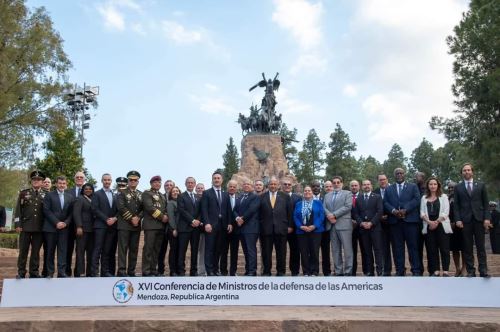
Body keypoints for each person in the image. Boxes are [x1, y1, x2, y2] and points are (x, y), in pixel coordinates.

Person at [453, 163, 491, 278]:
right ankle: (470, 270)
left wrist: (487, 218)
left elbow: (486, 204)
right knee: (467, 247)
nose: (467, 172)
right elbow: (456, 206)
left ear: (472, 172)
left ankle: (483, 270)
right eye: (464, 170)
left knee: (481, 247)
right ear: (461, 173)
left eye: (469, 170)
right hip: (465, 221)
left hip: (479, 219)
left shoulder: (481, 185)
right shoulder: (458, 187)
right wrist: (458, 219)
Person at [383, 168, 422, 276]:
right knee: (397, 248)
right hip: (395, 223)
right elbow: (385, 202)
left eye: (401, 173)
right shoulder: (389, 189)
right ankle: (400, 270)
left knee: (413, 247)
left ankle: (416, 270)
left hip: (410, 222)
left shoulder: (412, 186)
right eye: (397, 173)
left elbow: (416, 199)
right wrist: (393, 211)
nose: (399, 175)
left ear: (404, 174)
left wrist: (406, 209)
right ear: (394, 175)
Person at [14, 170, 46, 278]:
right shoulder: (24, 193)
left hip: (39, 228)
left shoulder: (46, 194)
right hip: (25, 227)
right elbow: (18, 210)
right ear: (31, 181)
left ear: (42, 182)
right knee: (23, 251)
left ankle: (34, 272)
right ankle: (21, 272)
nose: (36, 181)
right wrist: (18, 224)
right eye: (34, 180)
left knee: (36, 252)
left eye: (39, 180)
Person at [201, 171, 233, 276]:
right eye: (215, 178)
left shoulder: (225, 194)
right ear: (212, 180)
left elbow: (228, 210)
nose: (216, 180)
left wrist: (229, 223)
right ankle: (209, 270)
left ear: (222, 180)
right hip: (211, 226)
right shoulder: (206, 193)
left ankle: (215, 269)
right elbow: (204, 209)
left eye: (218, 178)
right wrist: (206, 223)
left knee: (218, 249)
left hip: (222, 226)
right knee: (209, 249)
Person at [43, 175, 74, 278]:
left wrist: (65, 223)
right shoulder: (49, 195)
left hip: (64, 229)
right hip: (51, 228)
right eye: (60, 183)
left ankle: (61, 272)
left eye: (64, 183)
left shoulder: (70, 197)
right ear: (56, 184)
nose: (62, 185)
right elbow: (46, 211)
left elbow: (71, 213)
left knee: (62, 251)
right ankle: (50, 273)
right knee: (50, 251)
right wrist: (57, 222)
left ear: (66, 184)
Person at [420, 177, 452, 277]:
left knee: (444, 249)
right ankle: (436, 270)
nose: (433, 186)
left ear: (438, 185)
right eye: (430, 184)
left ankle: (446, 270)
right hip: (429, 227)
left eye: (434, 184)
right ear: (428, 186)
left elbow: (446, 212)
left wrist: (436, 222)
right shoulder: (424, 198)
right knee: (431, 249)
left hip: (441, 225)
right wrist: (429, 222)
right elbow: (422, 213)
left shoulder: (443, 197)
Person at [324, 176, 353, 276]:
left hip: (344, 225)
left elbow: (348, 206)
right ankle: (338, 271)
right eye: (334, 182)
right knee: (335, 250)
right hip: (332, 226)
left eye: (338, 182)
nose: (336, 184)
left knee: (347, 249)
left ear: (342, 183)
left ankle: (348, 271)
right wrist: (329, 215)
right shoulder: (327, 195)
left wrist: (334, 214)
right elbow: (324, 207)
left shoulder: (347, 193)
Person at [353, 180, 384, 276]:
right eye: (364, 185)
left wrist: (371, 223)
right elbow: (356, 213)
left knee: (378, 250)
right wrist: (361, 223)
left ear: (371, 186)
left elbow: (380, 212)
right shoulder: (359, 198)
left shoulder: (377, 197)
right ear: (362, 187)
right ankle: (370, 271)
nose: (366, 186)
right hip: (363, 229)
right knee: (367, 251)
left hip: (375, 228)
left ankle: (380, 271)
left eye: (368, 184)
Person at [116, 171, 143, 277]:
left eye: (135, 180)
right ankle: (122, 271)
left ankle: (131, 271)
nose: (133, 182)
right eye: (131, 180)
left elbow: (144, 208)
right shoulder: (122, 192)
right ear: (128, 181)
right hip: (124, 225)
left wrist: (139, 217)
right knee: (123, 249)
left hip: (136, 227)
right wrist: (132, 218)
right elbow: (121, 207)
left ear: (138, 182)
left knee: (134, 249)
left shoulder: (141, 194)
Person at [91, 173, 118, 277]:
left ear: (111, 181)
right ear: (102, 181)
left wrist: (114, 218)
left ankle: (104, 271)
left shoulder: (115, 195)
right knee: (97, 249)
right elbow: (94, 209)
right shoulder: (97, 194)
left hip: (111, 227)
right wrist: (106, 219)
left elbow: (118, 210)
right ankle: (94, 272)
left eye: (109, 180)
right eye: (105, 180)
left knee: (107, 250)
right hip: (100, 226)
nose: (107, 181)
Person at [294, 185, 325, 276]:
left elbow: (321, 215)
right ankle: (306, 271)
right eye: (305, 191)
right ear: (303, 193)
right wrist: (300, 226)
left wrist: (314, 226)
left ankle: (314, 271)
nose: (307, 192)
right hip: (301, 232)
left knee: (314, 251)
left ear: (312, 193)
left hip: (315, 231)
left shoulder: (318, 203)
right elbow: (295, 216)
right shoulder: (298, 204)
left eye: (309, 191)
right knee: (304, 252)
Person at [142, 176, 168, 276]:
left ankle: (153, 269)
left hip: (160, 227)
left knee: (156, 250)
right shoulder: (147, 193)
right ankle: (146, 271)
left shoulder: (161, 195)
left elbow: (165, 208)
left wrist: (166, 215)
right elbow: (149, 208)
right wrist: (162, 217)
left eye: (159, 182)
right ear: (151, 183)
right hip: (151, 226)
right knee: (148, 249)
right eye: (155, 182)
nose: (157, 184)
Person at [233, 177, 260, 276]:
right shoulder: (239, 197)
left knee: (251, 250)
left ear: (252, 186)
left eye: (248, 184)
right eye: (244, 184)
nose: (246, 185)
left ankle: (252, 271)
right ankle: (247, 269)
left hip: (251, 228)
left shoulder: (255, 197)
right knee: (245, 250)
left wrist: (242, 219)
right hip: (241, 228)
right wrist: (237, 218)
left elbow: (252, 210)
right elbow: (234, 210)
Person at [177, 177, 202, 276]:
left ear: (195, 184)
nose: (190, 184)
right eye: (188, 183)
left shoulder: (198, 197)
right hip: (184, 228)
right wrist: (192, 220)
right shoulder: (181, 196)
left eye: (192, 183)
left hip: (196, 229)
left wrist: (198, 220)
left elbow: (201, 211)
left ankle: (194, 271)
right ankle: (181, 271)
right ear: (185, 184)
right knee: (182, 250)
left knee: (194, 250)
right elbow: (182, 210)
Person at [65, 171, 86, 276]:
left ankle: (78, 272)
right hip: (68, 226)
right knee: (68, 250)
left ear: (84, 179)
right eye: (77, 177)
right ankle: (66, 272)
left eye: (81, 177)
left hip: (82, 227)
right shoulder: (67, 192)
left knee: (80, 251)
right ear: (74, 179)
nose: (79, 178)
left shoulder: (88, 192)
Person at [72, 183, 95, 277]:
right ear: (83, 190)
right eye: (86, 189)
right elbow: (76, 213)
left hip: (92, 230)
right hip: (82, 230)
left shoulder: (93, 199)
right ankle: (79, 272)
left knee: (90, 253)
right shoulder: (80, 199)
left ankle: (89, 272)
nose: (88, 190)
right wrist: (79, 226)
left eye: (90, 189)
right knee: (80, 252)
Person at [281, 177, 301, 276]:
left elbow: (298, 213)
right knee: (281, 251)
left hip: (295, 229)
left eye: (289, 184)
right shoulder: (278, 197)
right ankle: (281, 271)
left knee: (295, 251)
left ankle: (295, 271)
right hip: (281, 229)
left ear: (292, 186)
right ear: (282, 186)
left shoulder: (298, 198)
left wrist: (291, 226)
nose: (287, 186)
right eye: (285, 184)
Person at [374, 173, 393, 276]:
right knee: (383, 248)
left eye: (384, 179)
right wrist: (379, 217)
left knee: (397, 248)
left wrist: (389, 215)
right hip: (380, 224)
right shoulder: (375, 192)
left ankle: (400, 269)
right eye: (380, 180)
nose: (382, 181)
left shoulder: (393, 190)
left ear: (387, 179)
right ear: (378, 181)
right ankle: (386, 270)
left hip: (393, 223)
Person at [312, 180, 331, 277]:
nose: (315, 188)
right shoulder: (307, 199)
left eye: (317, 186)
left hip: (325, 229)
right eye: (314, 186)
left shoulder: (326, 198)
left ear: (320, 187)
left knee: (326, 251)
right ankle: (315, 271)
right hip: (313, 231)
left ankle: (327, 271)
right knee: (314, 252)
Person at [448, 181, 466, 276]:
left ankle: (464, 268)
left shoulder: (462, 197)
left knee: (463, 248)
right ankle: (457, 268)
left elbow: (464, 210)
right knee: (454, 249)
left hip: (461, 225)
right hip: (451, 227)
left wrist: (457, 220)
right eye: (449, 188)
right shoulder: (447, 198)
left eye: (452, 187)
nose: (450, 189)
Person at [158, 179, 175, 275]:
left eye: (170, 185)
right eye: (166, 185)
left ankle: (172, 271)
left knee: (173, 250)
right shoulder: (160, 197)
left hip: (173, 229)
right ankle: (160, 271)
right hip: (162, 228)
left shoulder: (177, 197)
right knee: (161, 251)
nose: (168, 186)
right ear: (164, 187)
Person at [163, 186, 180, 276]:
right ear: (170, 193)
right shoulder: (170, 203)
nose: (175, 192)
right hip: (172, 230)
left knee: (178, 250)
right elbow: (171, 218)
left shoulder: (180, 203)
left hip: (180, 230)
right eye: (173, 191)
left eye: (177, 191)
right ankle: (172, 270)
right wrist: (174, 229)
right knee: (173, 250)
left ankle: (177, 269)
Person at [350, 180, 365, 276]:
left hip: (362, 227)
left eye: (356, 185)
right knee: (352, 251)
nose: (354, 187)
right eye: (352, 186)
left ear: (359, 186)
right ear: (350, 187)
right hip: (350, 227)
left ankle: (366, 271)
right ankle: (352, 272)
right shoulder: (346, 197)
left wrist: (359, 221)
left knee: (365, 250)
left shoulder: (364, 196)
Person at [225, 180, 240, 276]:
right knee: (223, 251)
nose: (232, 188)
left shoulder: (240, 199)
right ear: (228, 187)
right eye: (230, 186)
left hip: (237, 229)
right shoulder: (222, 197)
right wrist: (228, 223)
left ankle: (233, 272)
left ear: (236, 188)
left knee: (234, 252)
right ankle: (223, 271)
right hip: (224, 228)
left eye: (234, 187)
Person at [195, 183, 206, 276]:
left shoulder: (206, 198)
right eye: (198, 188)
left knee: (203, 251)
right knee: (195, 251)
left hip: (204, 230)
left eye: (201, 188)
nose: (200, 189)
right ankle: (195, 270)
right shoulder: (193, 198)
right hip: (193, 228)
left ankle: (201, 271)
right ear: (196, 189)